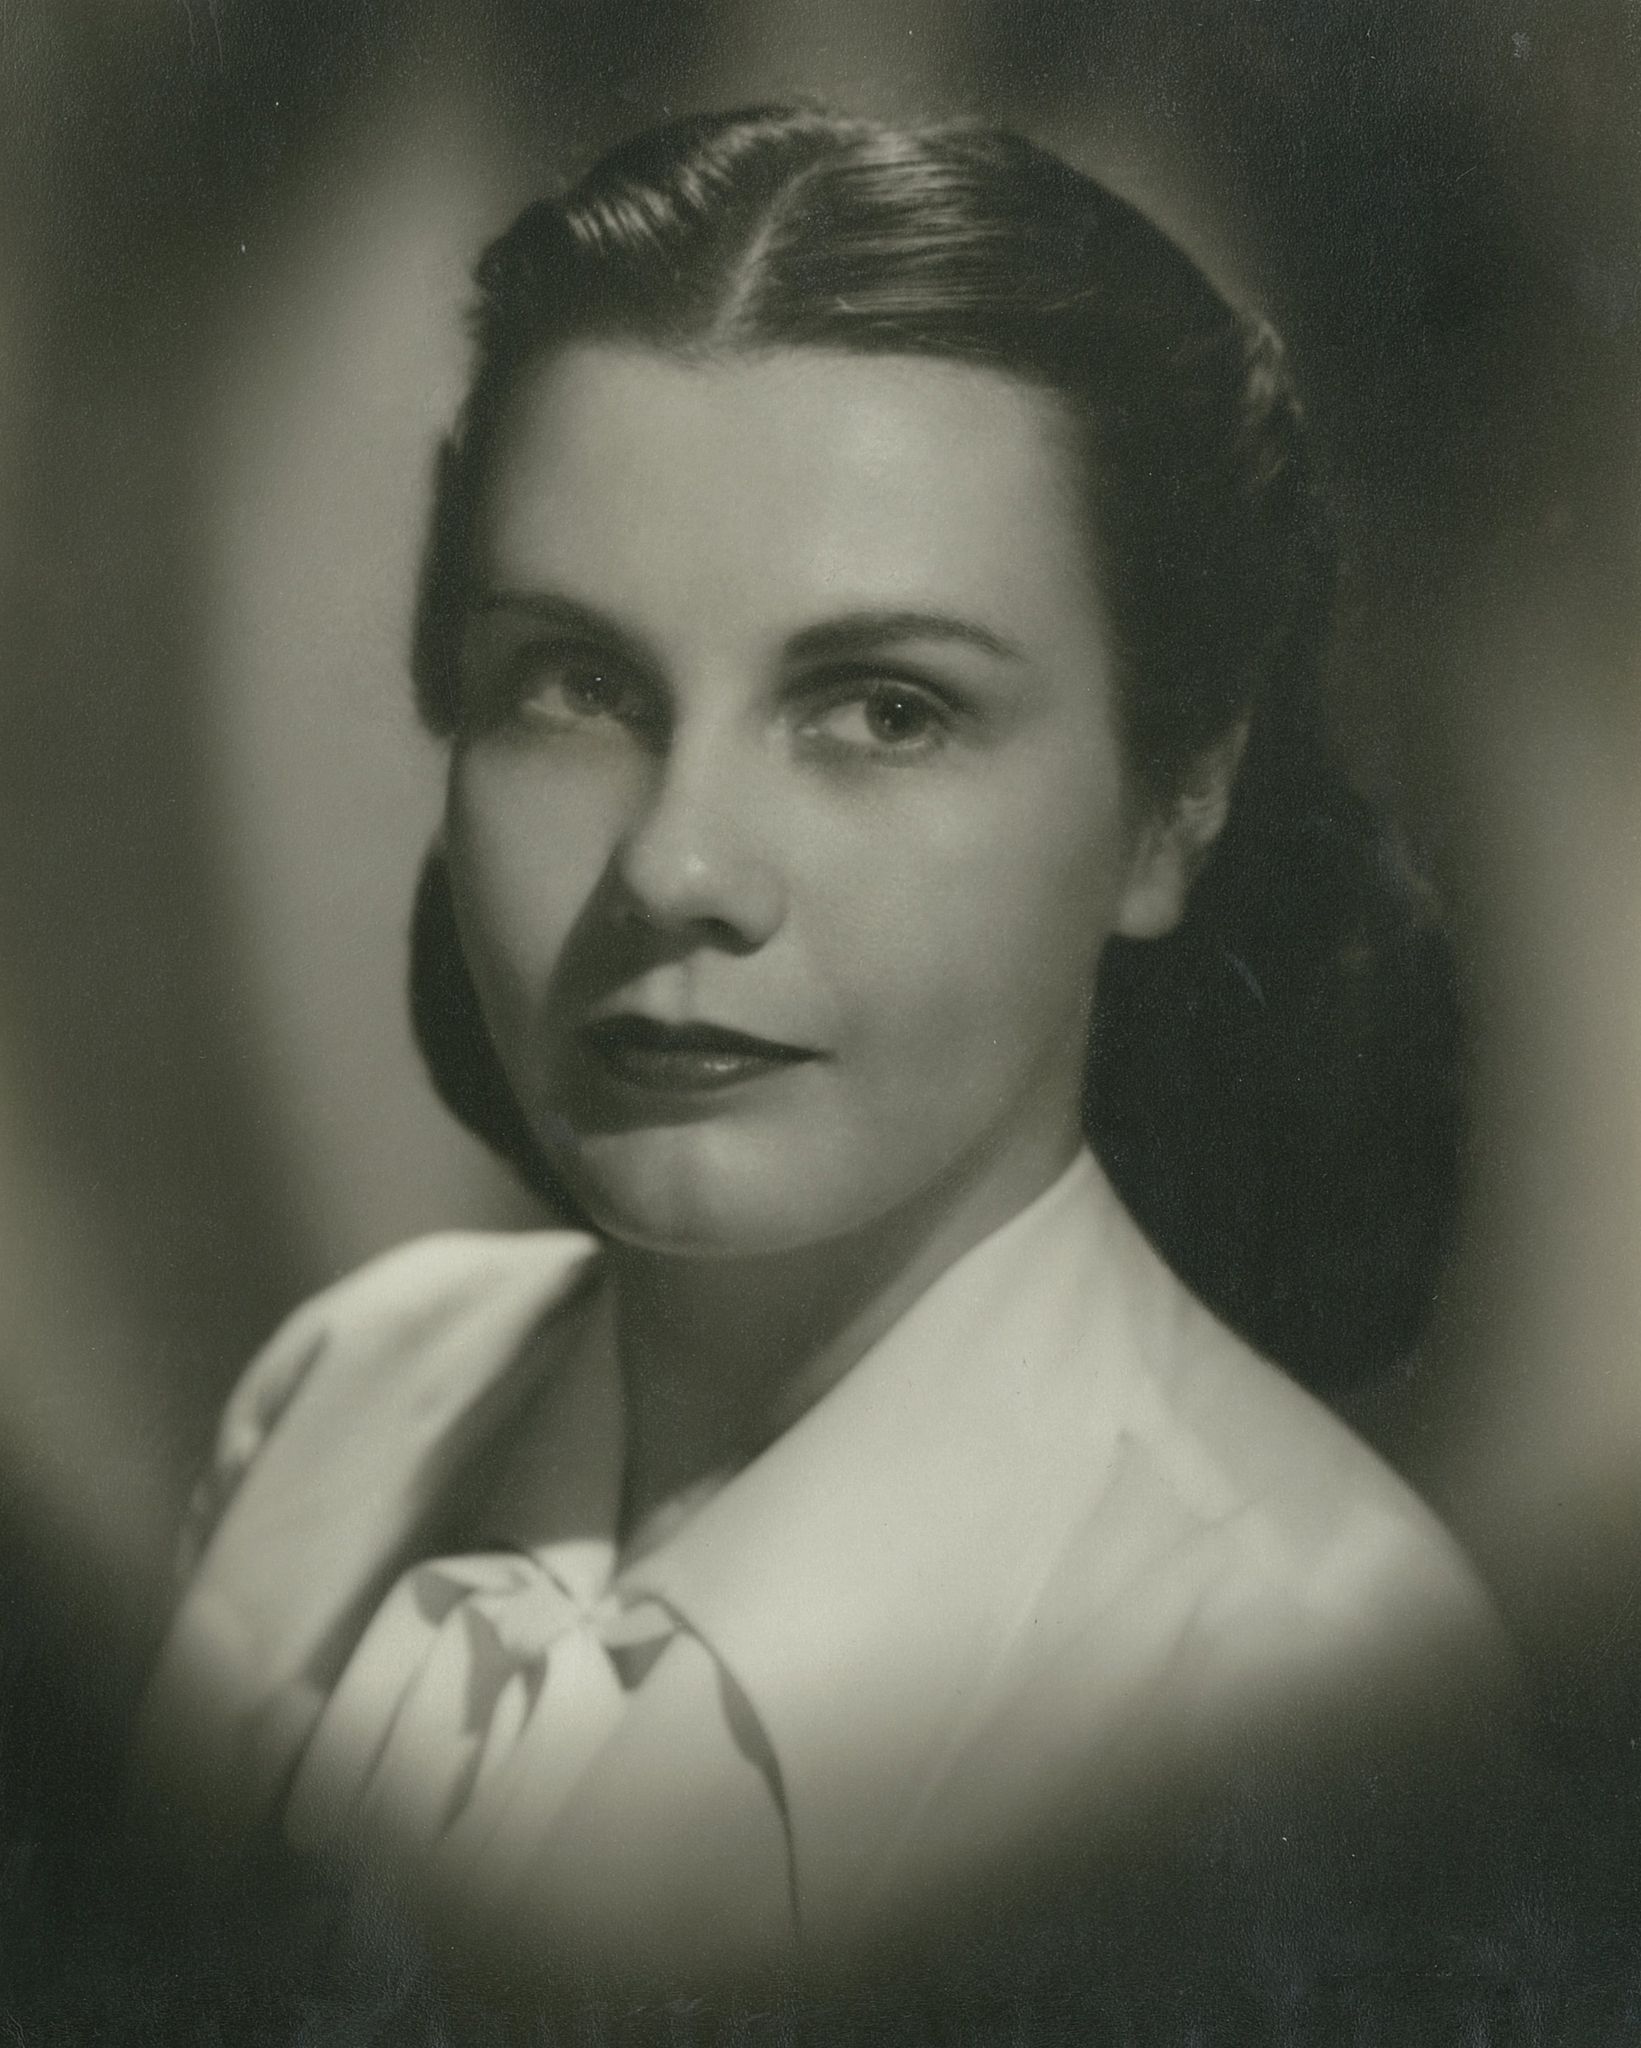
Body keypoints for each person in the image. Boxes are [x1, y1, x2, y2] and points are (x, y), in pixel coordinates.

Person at [131, 105, 1512, 2023]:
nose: (674, 866)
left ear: (1172, 804)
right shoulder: (349, 1394)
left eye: (884, 710)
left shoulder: (1309, 1691)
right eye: (574, 684)